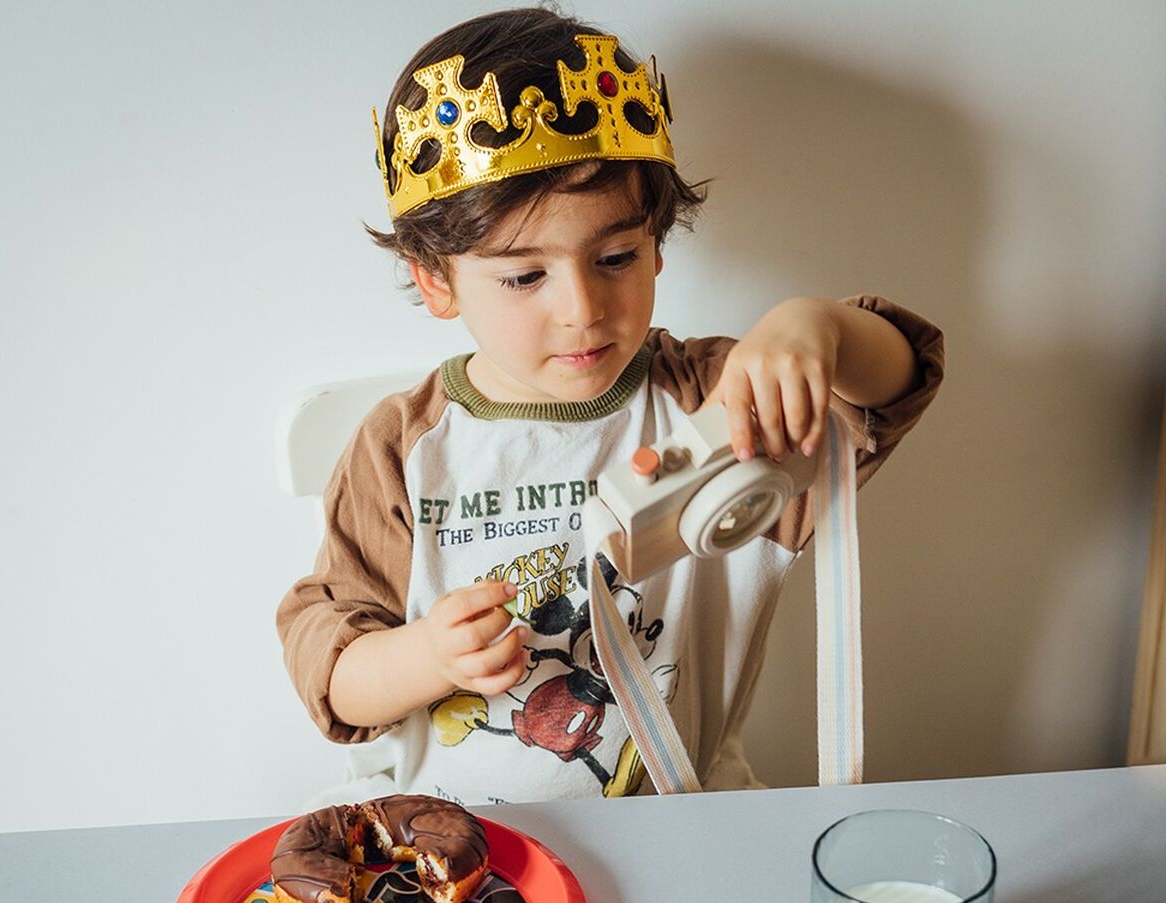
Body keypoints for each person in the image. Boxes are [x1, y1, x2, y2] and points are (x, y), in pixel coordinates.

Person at [277, 5, 944, 805]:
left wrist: (818, 328)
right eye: (525, 276)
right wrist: (427, 657)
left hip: (686, 822)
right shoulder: (405, 449)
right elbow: (332, 671)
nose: (583, 308)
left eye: (617, 256)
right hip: (473, 849)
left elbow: (889, 392)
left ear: (656, 242)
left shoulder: (710, 401)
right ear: (436, 280)